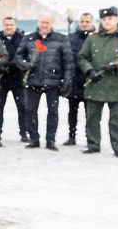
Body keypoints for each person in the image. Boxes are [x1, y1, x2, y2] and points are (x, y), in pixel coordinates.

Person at [77, 6, 118, 157]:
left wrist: (117, 66)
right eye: (104, 19)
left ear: (116, 20)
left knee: (116, 120)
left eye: (110, 19)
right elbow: (82, 57)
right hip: (95, 84)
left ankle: (117, 148)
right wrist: (89, 70)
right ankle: (93, 145)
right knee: (92, 118)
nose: (107, 22)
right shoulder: (93, 38)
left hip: (116, 85)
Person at [15, 13, 74, 150]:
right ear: (38, 23)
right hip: (33, 81)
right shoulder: (29, 38)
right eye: (42, 22)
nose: (45, 25)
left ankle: (50, 140)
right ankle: (34, 138)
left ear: (51, 23)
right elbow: (18, 56)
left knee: (53, 112)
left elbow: (68, 62)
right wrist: (25, 65)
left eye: (47, 22)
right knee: (31, 111)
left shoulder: (61, 39)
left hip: (53, 82)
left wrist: (66, 81)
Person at [63, 13, 96, 146]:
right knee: (72, 112)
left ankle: (90, 138)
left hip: (90, 81)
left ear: (92, 22)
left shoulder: (96, 38)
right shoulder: (71, 38)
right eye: (82, 21)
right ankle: (72, 136)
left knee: (91, 113)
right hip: (75, 80)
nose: (84, 24)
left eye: (87, 21)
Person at [0, 16, 29, 142]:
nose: (9, 27)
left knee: (23, 107)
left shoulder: (22, 39)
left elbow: (27, 55)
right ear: (3, 26)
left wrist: (19, 63)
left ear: (14, 26)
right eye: (7, 25)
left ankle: (24, 133)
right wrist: (0, 66)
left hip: (18, 78)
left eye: (11, 24)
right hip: (1, 78)